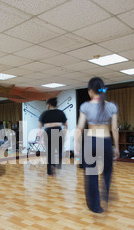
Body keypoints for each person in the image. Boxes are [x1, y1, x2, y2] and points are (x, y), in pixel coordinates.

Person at [76, 77, 119, 214]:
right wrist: (116, 147)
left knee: (91, 174)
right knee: (107, 171)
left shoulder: (85, 106)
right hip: (105, 141)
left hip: (90, 143)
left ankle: (95, 206)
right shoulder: (112, 106)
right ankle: (105, 194)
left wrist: (76, 143)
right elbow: (115, 129)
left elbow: (80, 127)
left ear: (90, 91)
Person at [38, 97, 68, 176]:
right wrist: (64, 133)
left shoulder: (44, 113)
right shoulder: (61, 112)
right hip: (58, 131)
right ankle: (56, 165)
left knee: (49, 152)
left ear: (48, 104)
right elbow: (66, 126)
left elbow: (40, 126)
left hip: (48, 132)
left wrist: (40, 137)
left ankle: (49, 171)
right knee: (59, 151)